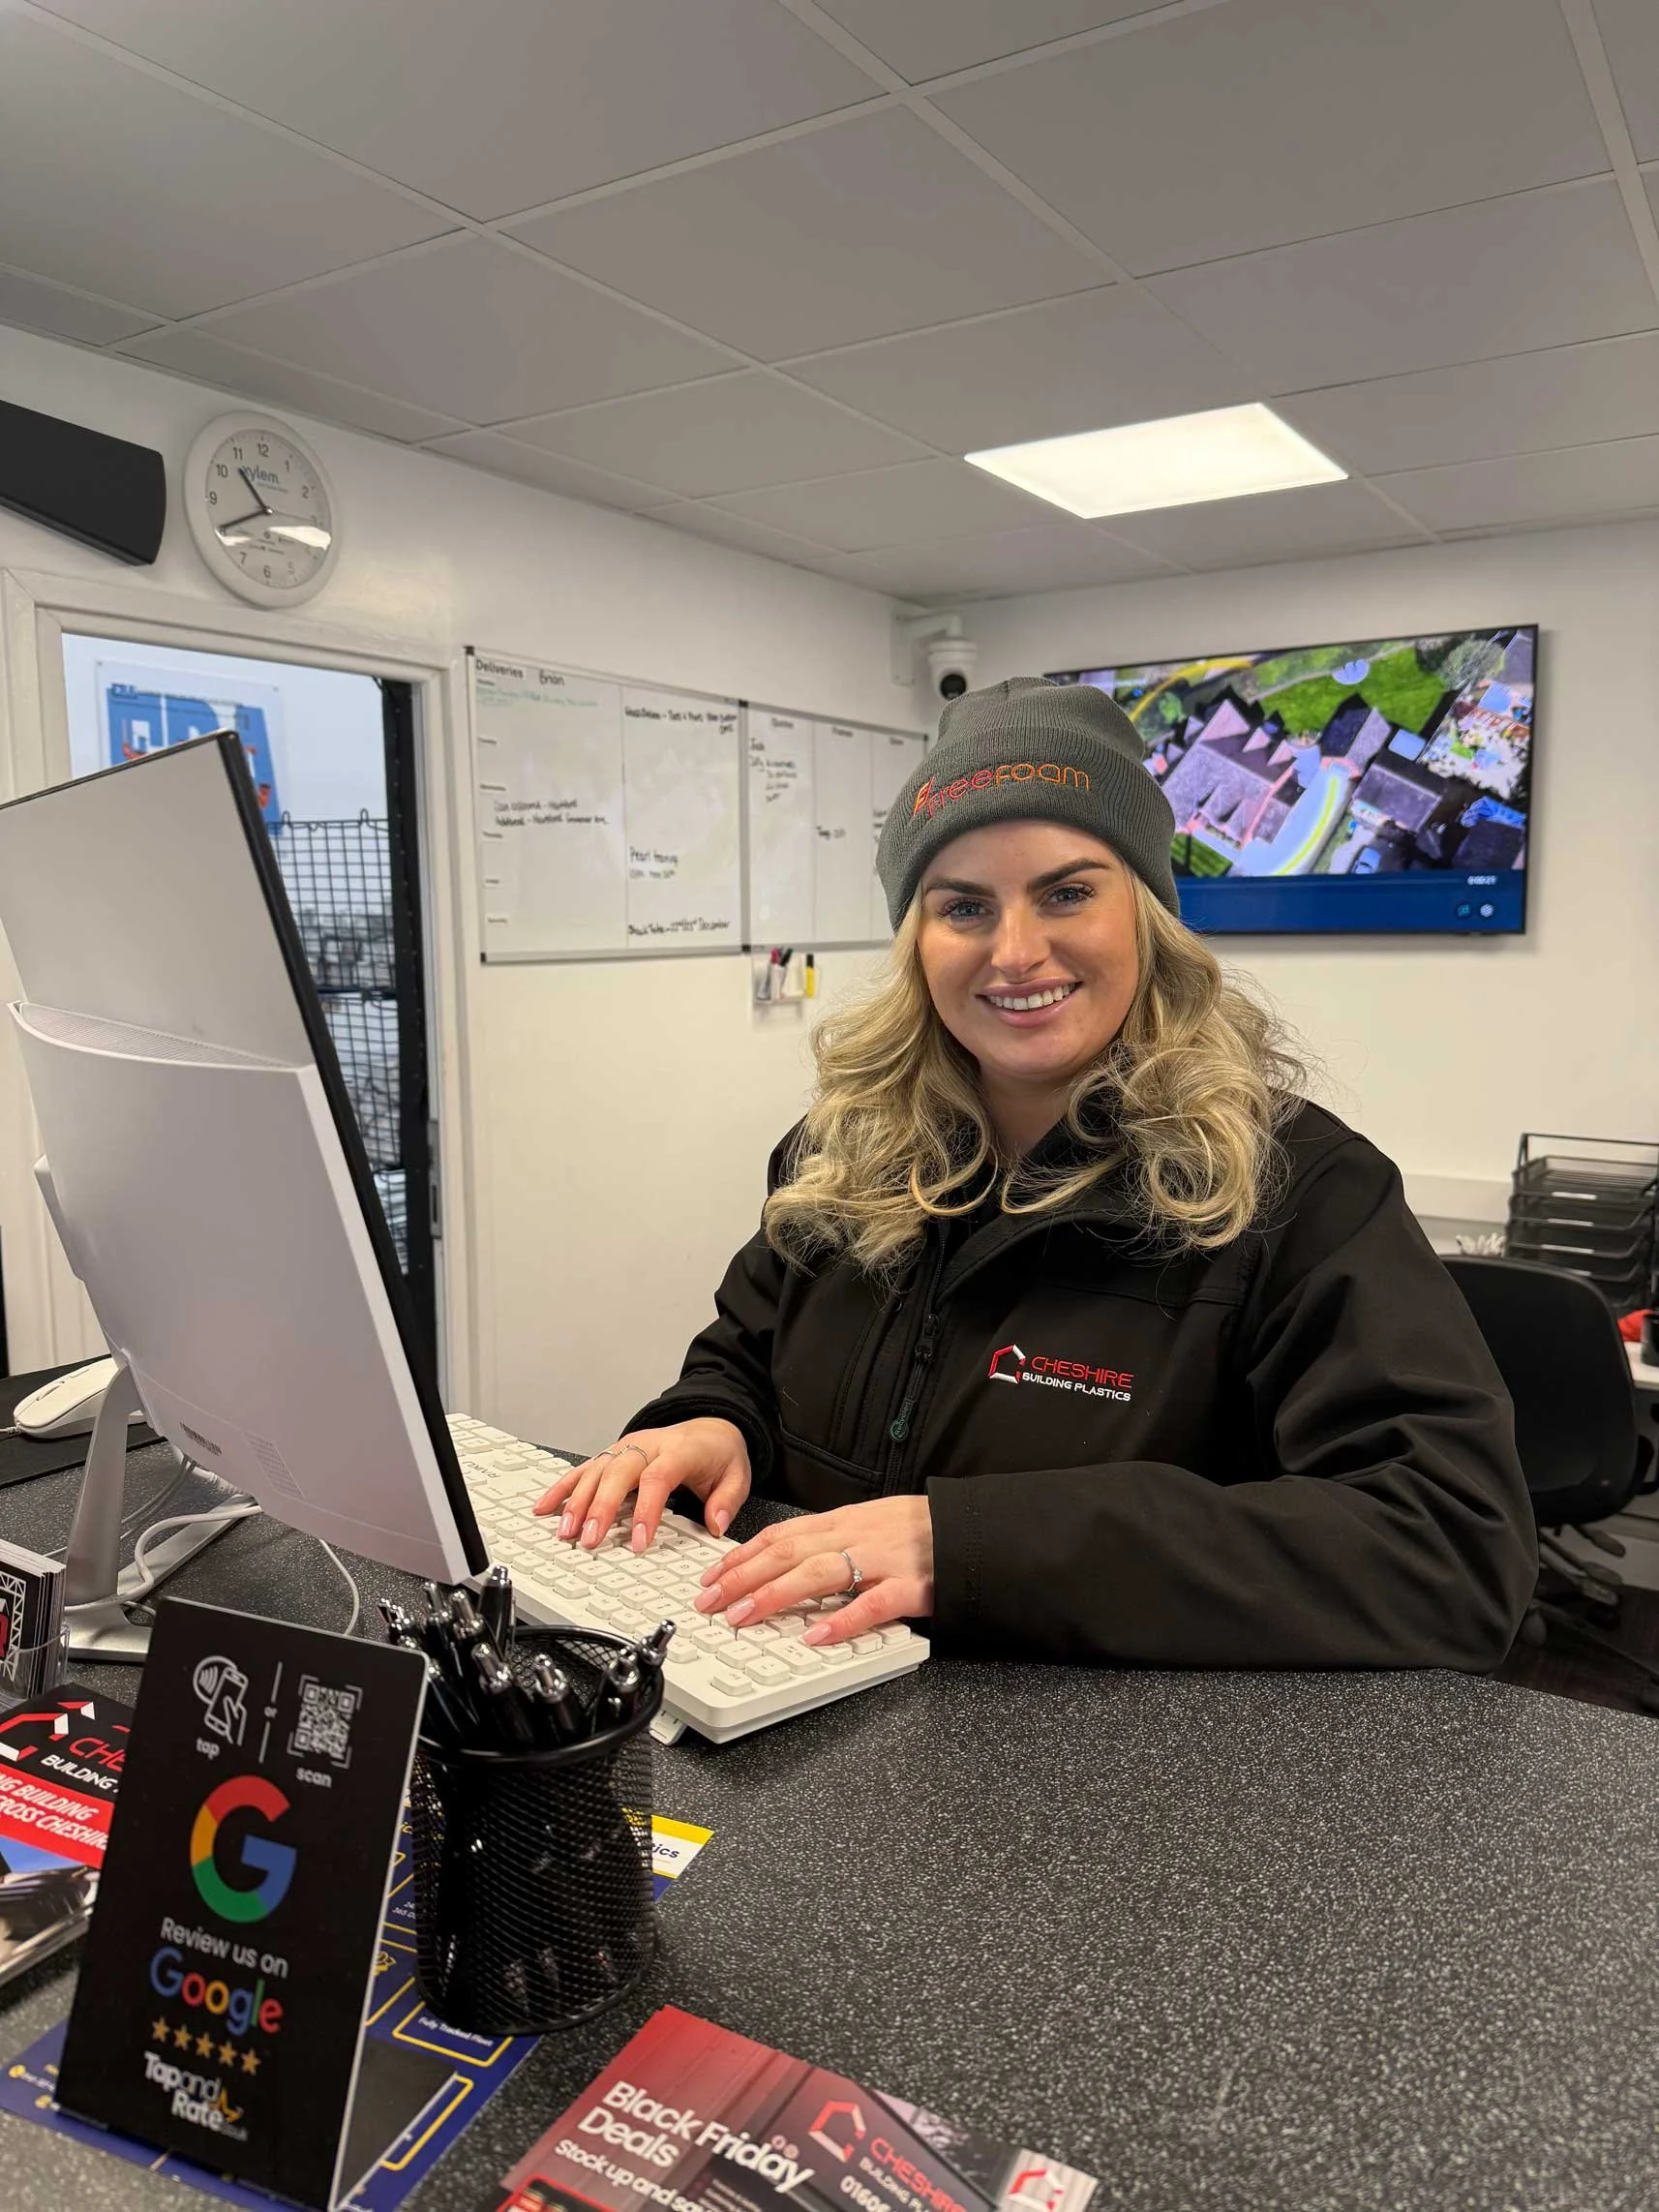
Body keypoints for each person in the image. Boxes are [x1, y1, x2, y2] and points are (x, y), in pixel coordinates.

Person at [535, 679, 1536, 1669]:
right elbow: (745, 1353)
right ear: (915, 942)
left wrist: (962, 1546)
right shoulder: (840, 1150)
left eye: (1065, 891)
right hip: (794, 1715)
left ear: (1144, 915)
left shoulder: (1301, 1191)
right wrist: (710, 1419)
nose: (1014, 952)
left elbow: (1448, 1548)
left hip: (1107, 1785)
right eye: (962, 905)